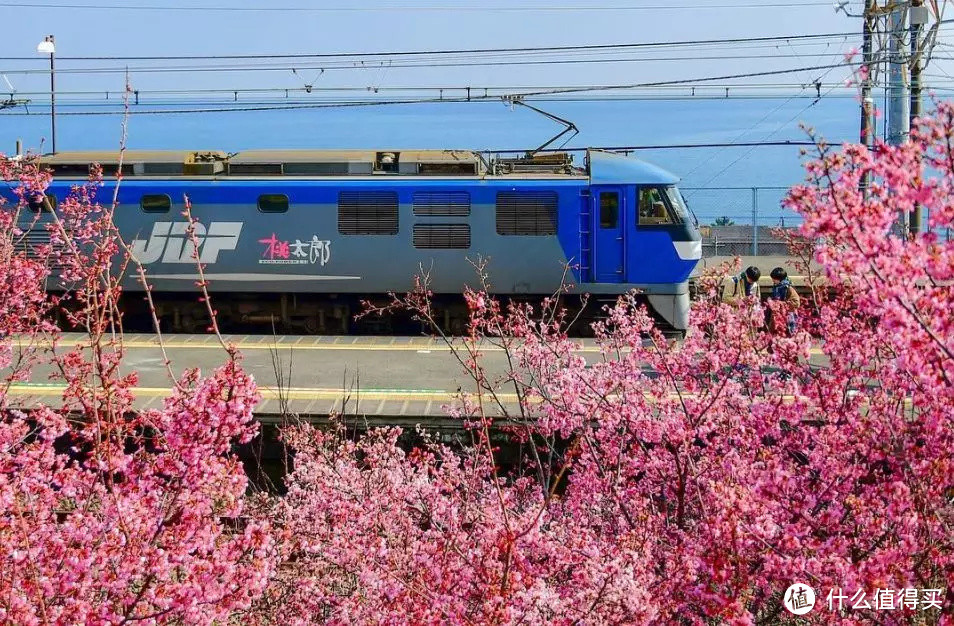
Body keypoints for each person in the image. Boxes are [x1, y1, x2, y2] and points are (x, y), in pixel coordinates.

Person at [769, 266, 799, 335]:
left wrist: (782, 303)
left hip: (787, 314)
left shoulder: (788, 288)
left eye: (774, 279)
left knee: (787, 332)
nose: (772, 280)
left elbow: (796, 302)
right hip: (777, 313)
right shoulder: (776, 286)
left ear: (780, 279)